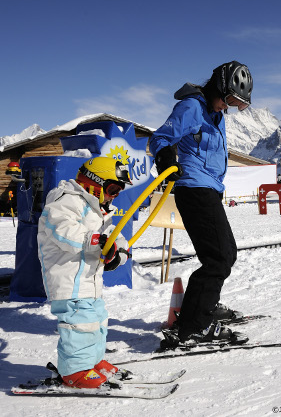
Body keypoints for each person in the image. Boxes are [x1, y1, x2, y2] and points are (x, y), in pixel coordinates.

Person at [149, 60, 253, 346]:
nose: (228, 106)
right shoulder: (192, 107)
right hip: (194, 189)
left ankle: (202, 307)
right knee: (218, 258)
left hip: (209, 190)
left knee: (226, 254)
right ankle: (194, 325)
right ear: (218, 88)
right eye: (229, 99)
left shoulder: (214, 114)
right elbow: (160, 138)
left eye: (237, 104)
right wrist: (166, 157)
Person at [37, 157, 132, 388]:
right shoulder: (65, 201)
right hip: (68, 279)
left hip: (89, 280)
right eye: (111, 189)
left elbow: (114, 235)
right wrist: (98, 241)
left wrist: (119, 252)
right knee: (79, 325)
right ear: (94, 182)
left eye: (118, 192)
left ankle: (93, 361)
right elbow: (64, 231)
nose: (113, 196)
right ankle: (74, 372)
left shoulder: (98, 210)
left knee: (97, 321)